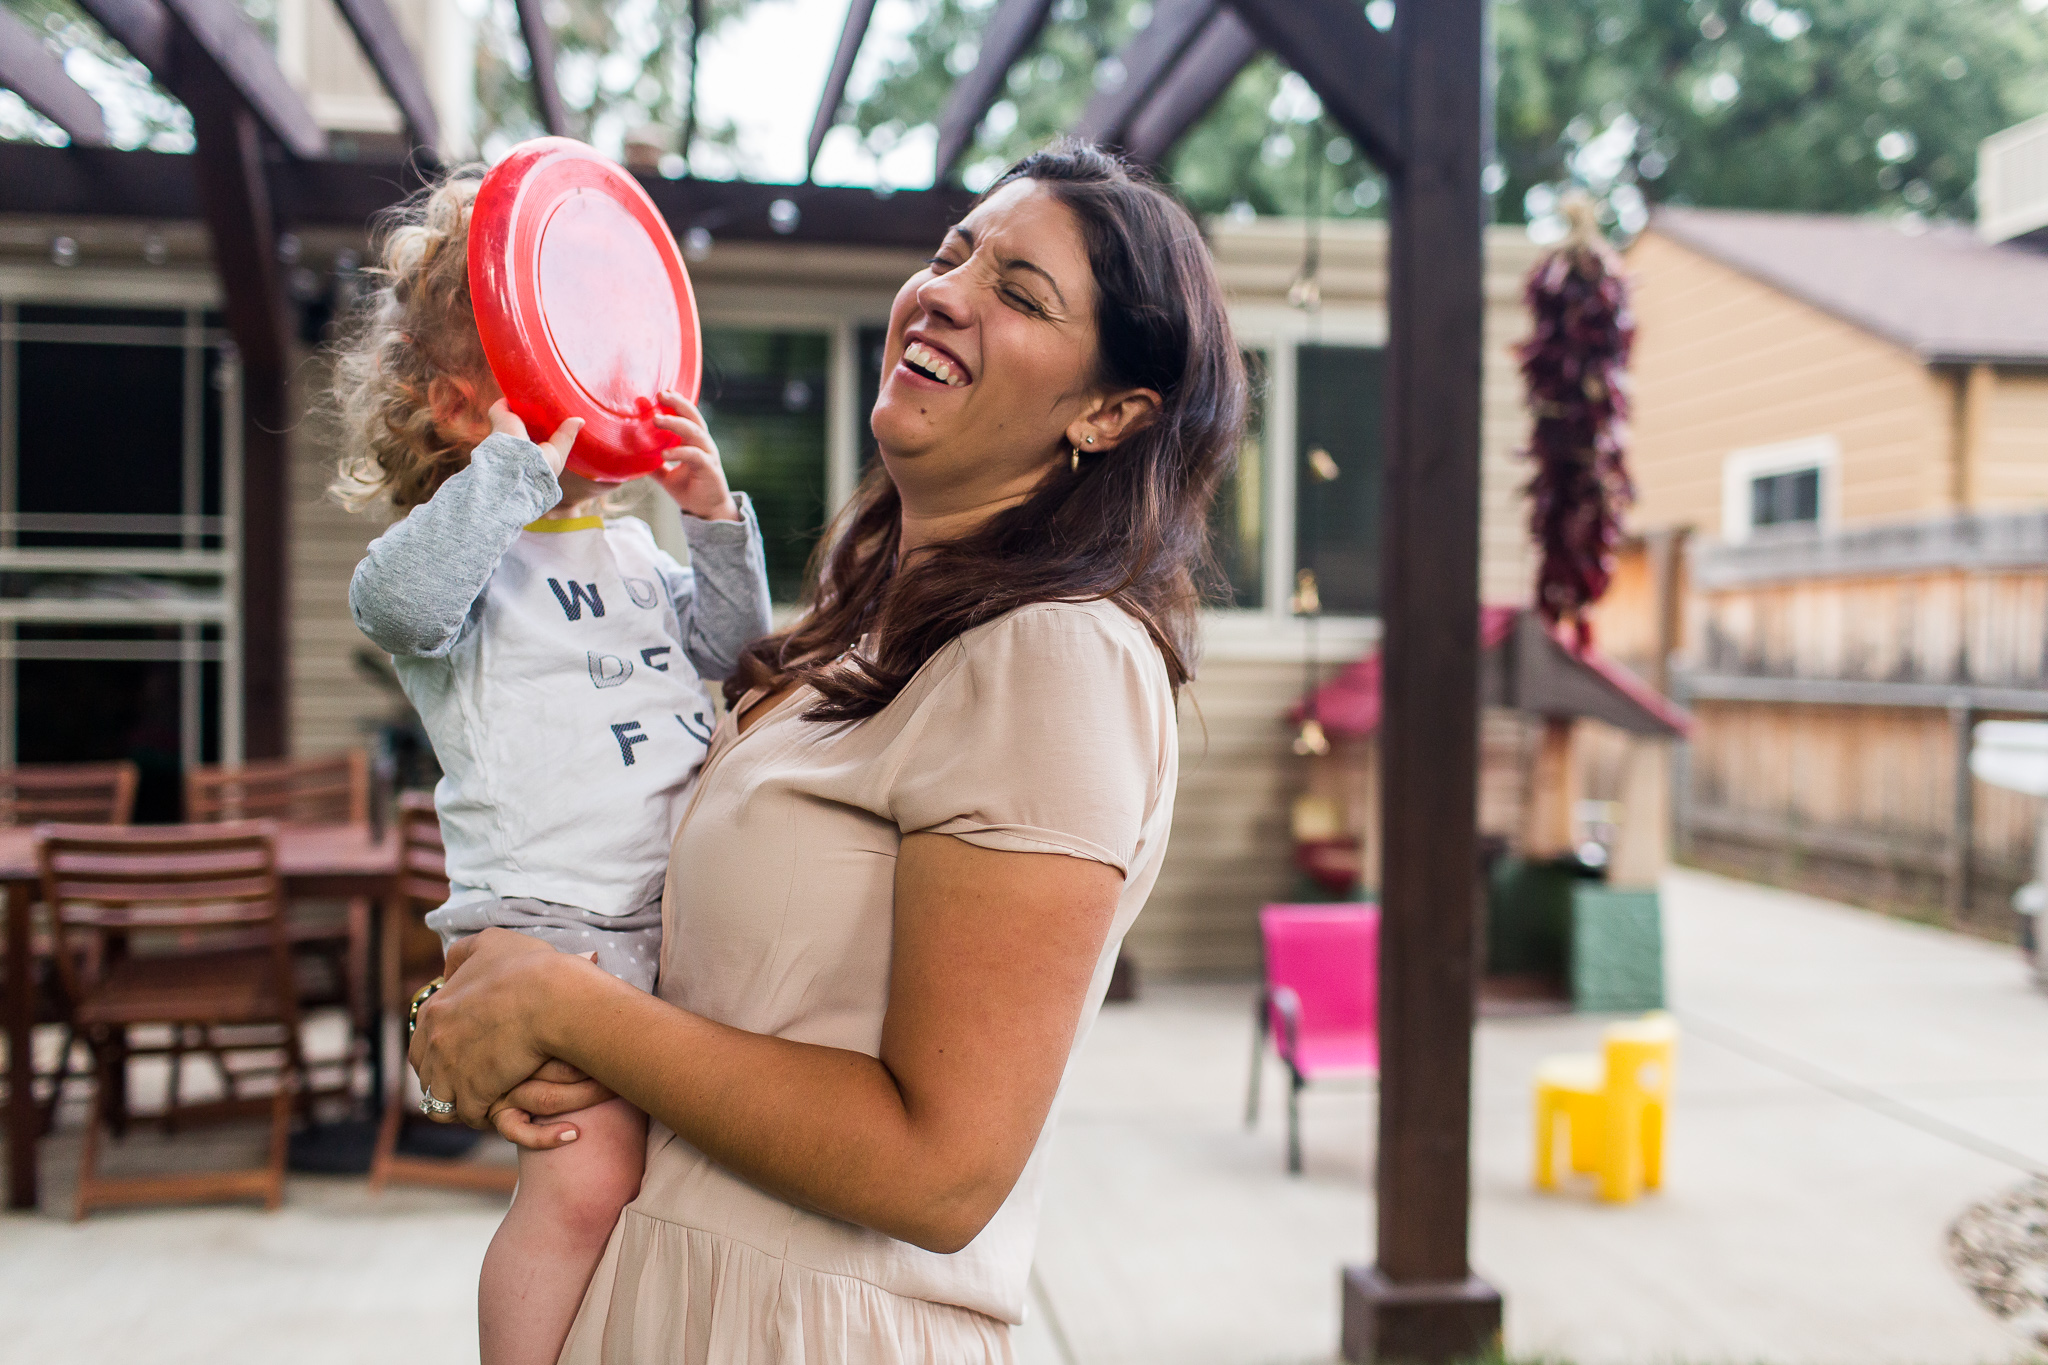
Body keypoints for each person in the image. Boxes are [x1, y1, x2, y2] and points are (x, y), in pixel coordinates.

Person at [409, 142, 1244, 1363]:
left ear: (1110, 413)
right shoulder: (847, 640)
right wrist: (494, 1008)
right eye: (955, 250)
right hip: (663, 1298)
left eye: (1019, 292)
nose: (948, 288)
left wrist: (561, 1006)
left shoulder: (1054, 659)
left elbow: (939, 1168)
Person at [331, 169, 774, 1365]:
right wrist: (518, 473)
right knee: (583, 1187)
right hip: (549, 926)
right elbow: (396, 603)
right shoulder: (456, 569)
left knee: (659, 1190)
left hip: (665, 914)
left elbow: (738, 656)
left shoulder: (633, 549)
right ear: (460, 407)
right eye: (550, 367)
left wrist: (715, 520)